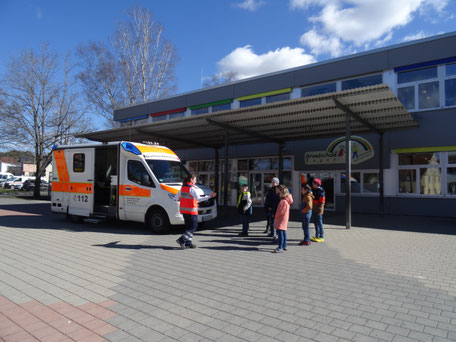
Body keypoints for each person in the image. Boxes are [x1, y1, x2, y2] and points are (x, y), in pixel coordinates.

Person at [176, 174, 216, 249]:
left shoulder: (183, 188)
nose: (196, 181)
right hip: (191, 211)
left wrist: (184, 201)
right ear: (191, 180)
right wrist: (209, 196)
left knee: (188, 227)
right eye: (195, 179)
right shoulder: (192, 189)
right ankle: (182, 240)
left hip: (184, 212)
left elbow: (176, 197)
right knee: (193, 227)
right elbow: (198, 199)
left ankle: (188, 243)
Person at [272, 185, 293, 253]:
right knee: (283, 233)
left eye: (280, 193)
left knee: (280, 234)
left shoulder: (283, 201)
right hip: (284, 219)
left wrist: (276, 216)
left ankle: (280, 247)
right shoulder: (287, 201)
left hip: (281, 219)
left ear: (283, 194)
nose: (279, 194)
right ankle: (284, 245)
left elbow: (280, 211)